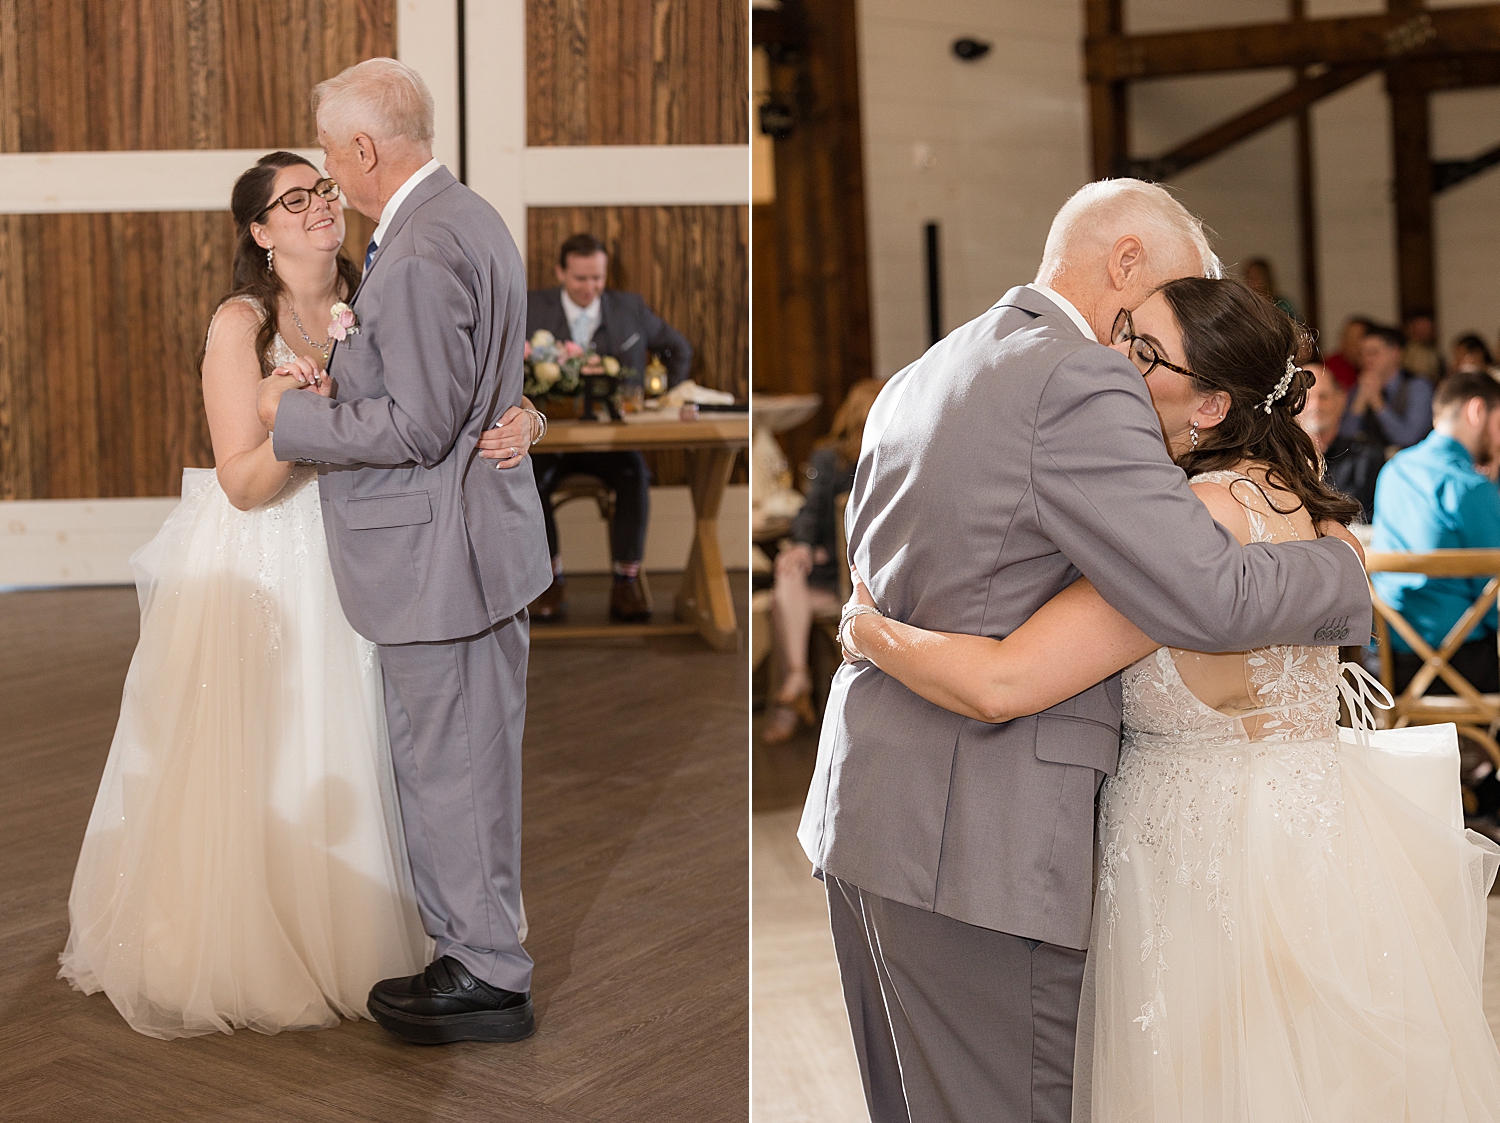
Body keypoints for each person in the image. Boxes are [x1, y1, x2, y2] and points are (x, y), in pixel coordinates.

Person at [838, 276, 1500, 1122]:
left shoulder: (1186, 526)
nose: (1117, 362)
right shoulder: (1323, 521)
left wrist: (866, 628)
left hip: (1199, 875)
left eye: (1145, 353)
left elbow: (1000, 682)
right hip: (1325, 859)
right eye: (1122, 337)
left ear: (1212, 404)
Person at [797, 180, 1372, 1123]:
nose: (1148, 342)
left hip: (868, 811)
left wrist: (864, 634)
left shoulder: (923, 371)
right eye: (1166, 305)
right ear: (1127, 263)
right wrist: (1345, 571)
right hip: (978, 839)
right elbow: (1207, 591)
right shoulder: (1081, 375)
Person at [57, 146, 540, 1039]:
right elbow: (240, 480)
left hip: (380, 556)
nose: (319, 205)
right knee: (292, 753)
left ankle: (414, 935)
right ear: (260, 231)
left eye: (321, 189)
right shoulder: (241, 324)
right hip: (283, 556)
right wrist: (294, 418)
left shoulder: (379, 283)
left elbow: (447, 388)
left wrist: (527, 415)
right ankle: (286, 938)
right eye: (293, 199)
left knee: (389, 752)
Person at [259, 58, 552, 1045]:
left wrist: (297, 422)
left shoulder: (420, 247)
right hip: (467, 544)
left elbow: (421, 425)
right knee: (459, 764)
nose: (335, 177)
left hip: (443, 558)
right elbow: (466, 392)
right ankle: (477, 948)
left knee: (452, 770)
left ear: (366, 148)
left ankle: (485, 974)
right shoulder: (465, 217)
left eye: (336, 156)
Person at [525, 233, 694, 624]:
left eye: (597, 278)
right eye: (580, 278)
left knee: (635, 475)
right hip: (552, 440)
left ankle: (627, 580)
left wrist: (661, 397)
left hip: (616, 441)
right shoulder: (533, 308)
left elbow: (678, 348)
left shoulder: (630, 308)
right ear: (561, 273)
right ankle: (549, 581)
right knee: (527, 479)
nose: (590, 288)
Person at [763, 379, 882, 745]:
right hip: (841, 573)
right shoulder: (831, 458)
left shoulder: (892, 455)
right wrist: (802, 546)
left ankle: (791, 695)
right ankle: (798, 678)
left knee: (778, 605)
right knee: (788, 570)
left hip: (867, 576)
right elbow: (811, 513)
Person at [1371, 371, 1500, 695]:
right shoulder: (1469, 487)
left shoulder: (1394, 470)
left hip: (1391, 662)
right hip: (1464, 666)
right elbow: (1495, 596)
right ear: (1476, 411)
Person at [1297, 359, 1385, 521]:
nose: (1316, 404)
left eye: (1324, 396)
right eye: (1307, 398)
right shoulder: (1278, 459)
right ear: (1292, 406)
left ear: (1341, 400)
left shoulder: (1367, 456)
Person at [1340, 323, 1433, 449]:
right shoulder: (1359, 387)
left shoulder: (1418, 386)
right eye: (1362, 354)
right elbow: (1345, 438)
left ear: (1395, 353)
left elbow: (1409, 438)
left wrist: (1378, 403)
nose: (1367, 359)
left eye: (1373, 353)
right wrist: (1359, 401)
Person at [1324, 314, 1371, 391]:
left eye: (1356, 339)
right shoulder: (1330, 367)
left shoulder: (1372, 365)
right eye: (1347, 338)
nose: (1349, 344)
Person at [1243, 255, 1297, 320]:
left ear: (1266, 279)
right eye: (1248, 278)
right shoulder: (1244, 307)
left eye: (1256, 278)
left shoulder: (1283, 306)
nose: (1251, 284)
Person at [1403, 308, 1445, 383]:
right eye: (1420, 328)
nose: (1424, 331)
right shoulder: (1402, 352)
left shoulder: (1435, 352)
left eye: (1426, 328)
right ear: (1409, 328)